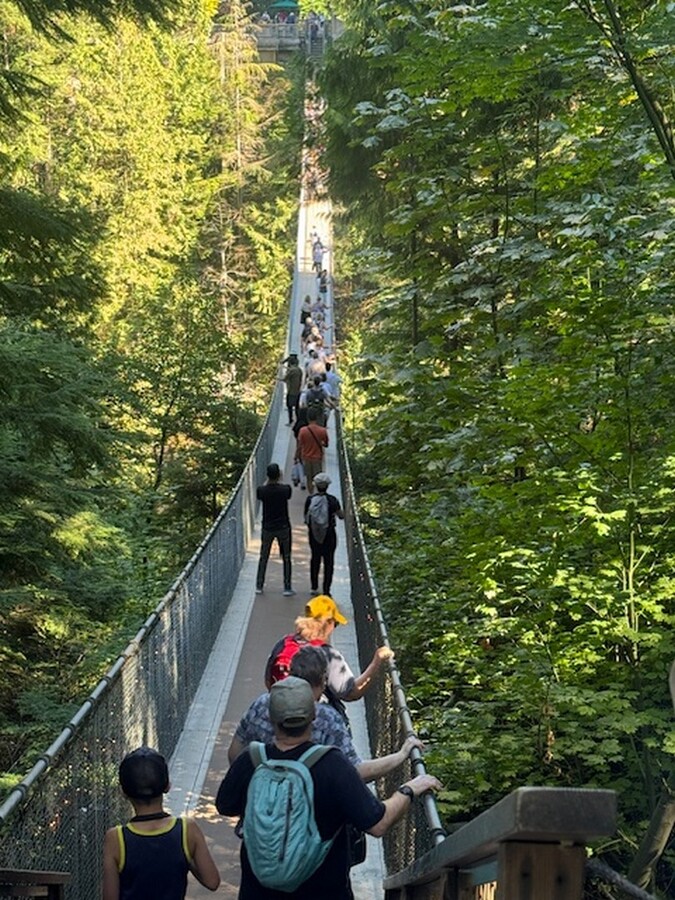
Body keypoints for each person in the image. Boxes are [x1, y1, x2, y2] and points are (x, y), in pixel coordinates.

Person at [215, 678, 442, 900]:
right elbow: (377, 823)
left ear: (272, 718)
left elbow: (225, 806)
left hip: (257, 892)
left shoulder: (251, 760)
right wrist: (409, 789)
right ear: (314, 715)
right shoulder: (333, 765)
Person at [229, 645, 422, 782]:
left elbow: (235, 753)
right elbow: (356, 771)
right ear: (323, 680)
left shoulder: (262, 703)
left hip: (262, 822)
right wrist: (401, 754)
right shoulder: (328, 718)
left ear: (291, 673)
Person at [102, 747, 220, 900]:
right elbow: (212, 881)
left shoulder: (116, 838)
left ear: (123, 792)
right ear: (167, 786)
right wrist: (186, 857)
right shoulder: (187, 829)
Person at [265, 596, 394, 708]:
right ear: (328, 623)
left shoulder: (283, 643)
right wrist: (376, 662)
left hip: (279, 712)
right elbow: (350, 692)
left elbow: (268, 681)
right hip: (314, 719)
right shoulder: (328, 655)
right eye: (335, 624)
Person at [255, 463, 295, 596]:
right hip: (283, 527)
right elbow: (288, 495)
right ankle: (287, 587)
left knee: (264, 557)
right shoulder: (285, 489)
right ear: (279, 475)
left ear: (267, 475)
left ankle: (259, 586)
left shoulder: (262, 490)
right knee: (287, 557)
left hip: (267, 527)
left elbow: (260, 494)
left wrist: (270, 480)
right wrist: (279, 479)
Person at [304, 472, 343, 596]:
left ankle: (314, 587)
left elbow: (306, 518)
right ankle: (326, 590)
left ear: (315, 485)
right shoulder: (332, 500)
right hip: (329, 534)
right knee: (329, 562)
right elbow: (341, 516)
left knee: (315, 558)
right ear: (327, 486)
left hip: (314, 535)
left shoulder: (310, 500)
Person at [295, 408, 328, 496]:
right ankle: (318, 495)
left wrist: (296, 457)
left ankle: (311, 495)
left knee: (309, 478)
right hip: (317, 458)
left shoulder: (302, 430)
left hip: (306, 457)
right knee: (318, 479)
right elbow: (326, 444)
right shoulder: (322, 430)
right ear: (317, 418)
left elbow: (299, 446)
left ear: (308, 418)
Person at [282, 353, 303, 426]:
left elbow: (285, 379)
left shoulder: (291, 370)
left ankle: (290, 420)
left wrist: (278, 379)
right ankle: (298, 420)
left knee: (289, 406)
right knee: (297, 407)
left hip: (291, 391)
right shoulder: (299, 370)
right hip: (298, 391)